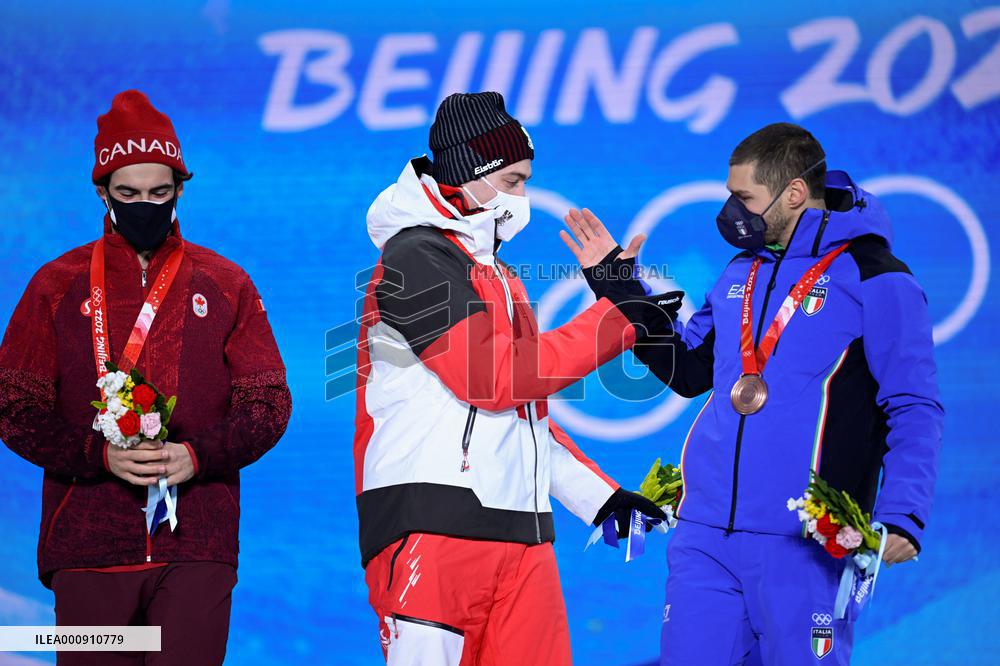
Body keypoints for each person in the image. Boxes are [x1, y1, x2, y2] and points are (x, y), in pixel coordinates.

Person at [573, 122, 943, 665]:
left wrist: (905, 511)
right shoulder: (738, 273)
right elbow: (688, 370)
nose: (731, 211)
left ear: (793, 192)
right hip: (705, 536)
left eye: (744, 198)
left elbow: (913, 404)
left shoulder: (876, 278)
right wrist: (620, 287)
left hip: (806, 540)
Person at [355, 91, 667, 665]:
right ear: (471, 172)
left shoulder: (499, 273)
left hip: (522, 535)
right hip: (430, 525)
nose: (522, 198)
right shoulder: (414, 258)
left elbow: (524, 415)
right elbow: (491, 378)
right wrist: (618, 316)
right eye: (513, 181)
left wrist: (600, 498)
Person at [0, 90, 292, 665]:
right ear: (102, 191)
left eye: (159, 193)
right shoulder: (56, 284)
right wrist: (97, 456)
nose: (145, 206)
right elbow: (13, 405)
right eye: (128, 194)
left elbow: (268, 403)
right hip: (87, 543)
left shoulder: (224, 282)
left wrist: (198, 455)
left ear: (180, 189)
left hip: (196, 543)